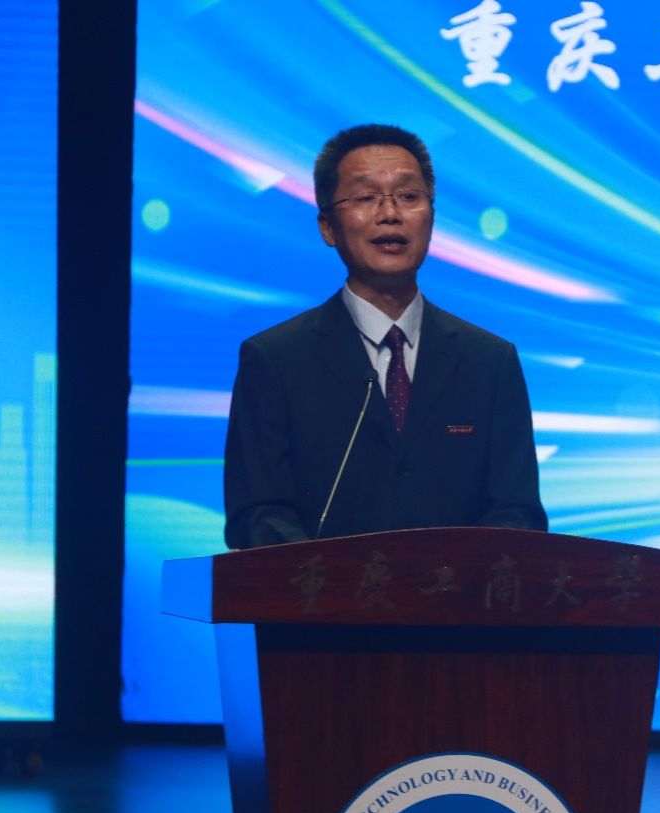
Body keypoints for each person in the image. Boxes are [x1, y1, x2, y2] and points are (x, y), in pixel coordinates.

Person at [223, 124, 547, 549]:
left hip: (456, 592)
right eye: (365, 197)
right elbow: (258, 515)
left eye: (409, 196)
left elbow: (517, 512)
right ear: (328, 226)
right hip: (324, 592)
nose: (390, 213)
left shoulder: (490, 361)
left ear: (432, 218)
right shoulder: (274, 359)